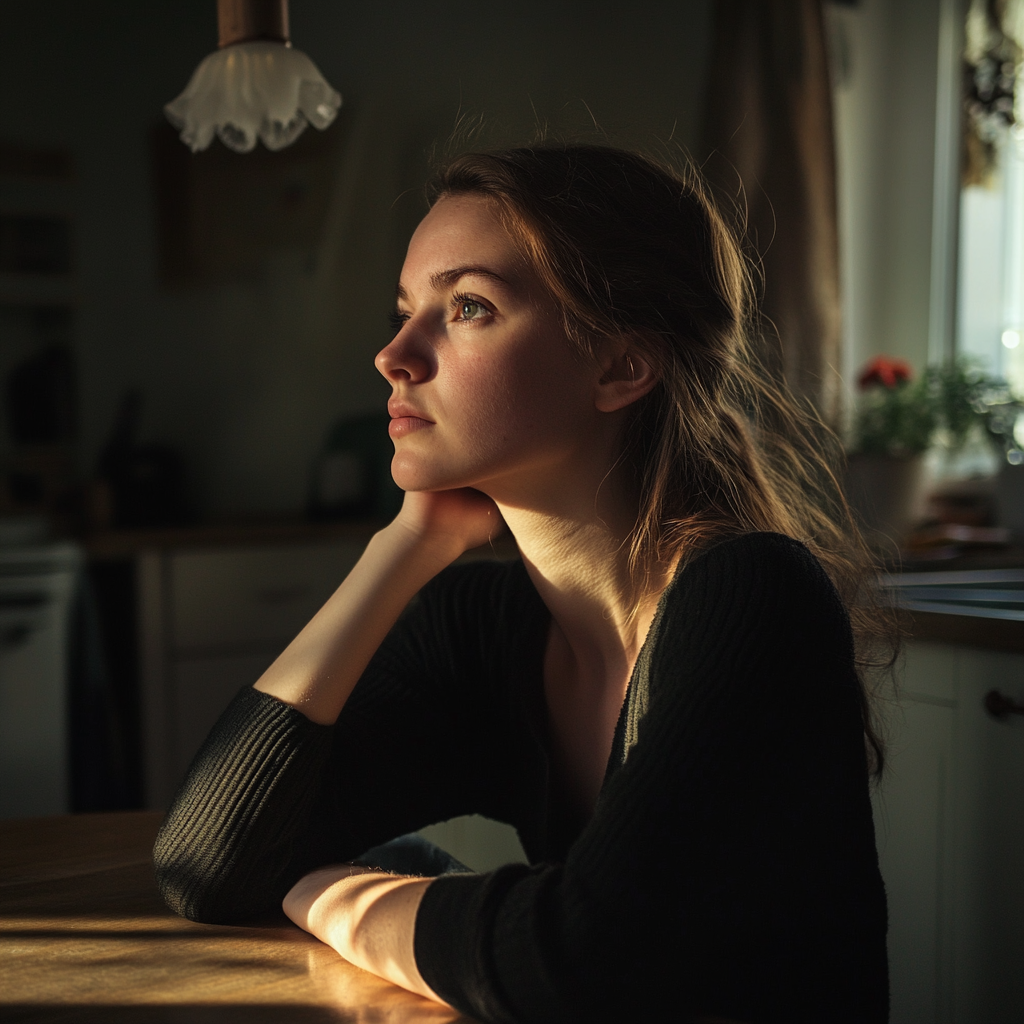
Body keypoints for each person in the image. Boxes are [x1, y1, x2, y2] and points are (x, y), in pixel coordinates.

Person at [154, 145, 890, 1024]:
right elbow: (206, 861)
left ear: (621, 366)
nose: (394, 354)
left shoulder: (752, 596)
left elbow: (583, 961)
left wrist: (337, 897)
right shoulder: (488, 629)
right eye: (405, 310)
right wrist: (402, 548)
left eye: (466, 307)